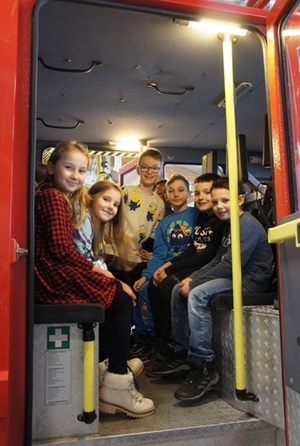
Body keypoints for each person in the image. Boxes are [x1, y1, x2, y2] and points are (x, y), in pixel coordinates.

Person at [34, 140, 154, 418]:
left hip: (51, 270)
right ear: (51, 167)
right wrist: (102, 275)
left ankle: (111, 367)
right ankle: (116, 380)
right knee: (122, 300)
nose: (75, 176)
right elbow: (64, 251)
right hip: (51, 275)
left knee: (119, 294)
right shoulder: (54, 197)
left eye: (81, 171)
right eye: (68, 168)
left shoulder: (53, 194)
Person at [150, 177, 273, 403]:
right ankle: (181, 350)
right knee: (179, 288)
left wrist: (195, 284)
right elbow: (217, 260)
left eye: (225, 200)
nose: (219, 206)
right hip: (234, 275)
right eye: (215, 202)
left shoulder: (245, 225)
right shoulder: (228, 226)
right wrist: (191, 278)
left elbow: (230, 264)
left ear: (240, 200)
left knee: (196, 294)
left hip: (249, 281)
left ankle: (203, 364)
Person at [143, 173, 227, 370]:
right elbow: (191, 248)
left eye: (207, 193)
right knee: (154, 286)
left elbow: (207, 256)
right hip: (195, 262)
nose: (202, 198)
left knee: (168, 286)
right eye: (198, 193)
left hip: (206, 266)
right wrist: (167, 266)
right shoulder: (201, 218)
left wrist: (172, 270)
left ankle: (177, 346)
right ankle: (164, 341)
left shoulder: (220, 220)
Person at [72, 180, 144, 377]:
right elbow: (84, 259)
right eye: (106, 199)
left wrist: (115, 282)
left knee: (120, 294)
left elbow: (96, 260)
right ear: (91, 197)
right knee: (121, 300)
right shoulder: (84, 218)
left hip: (79, 275)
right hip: (72, 279)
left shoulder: (96, 225)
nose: (110, 207)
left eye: (115, 204)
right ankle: (116, 372)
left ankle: (107, 361)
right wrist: (116, 282)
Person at [130, 174, 199, 356]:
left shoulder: (196, 214)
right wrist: (146, 275)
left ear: (189, 193)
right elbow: (159, 254)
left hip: (186, 265)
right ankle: (152, 338)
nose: (176, 194)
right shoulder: (164, 224)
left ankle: (171, 342)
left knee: (164, 288)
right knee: (144, 288)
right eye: (171, 191)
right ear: (166, 195)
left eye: (180, 190)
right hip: (165, 265)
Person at [106, 148, 165, 286]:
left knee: (136, 293)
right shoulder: (126, 191)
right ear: (138, 170)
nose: (149, 172)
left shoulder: (160, 204)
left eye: (154, 168)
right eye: (145, 167)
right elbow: (110, 214)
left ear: (160, 171)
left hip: (135, 259)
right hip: (113, 252)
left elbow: (153, 235)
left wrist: (149, 254)